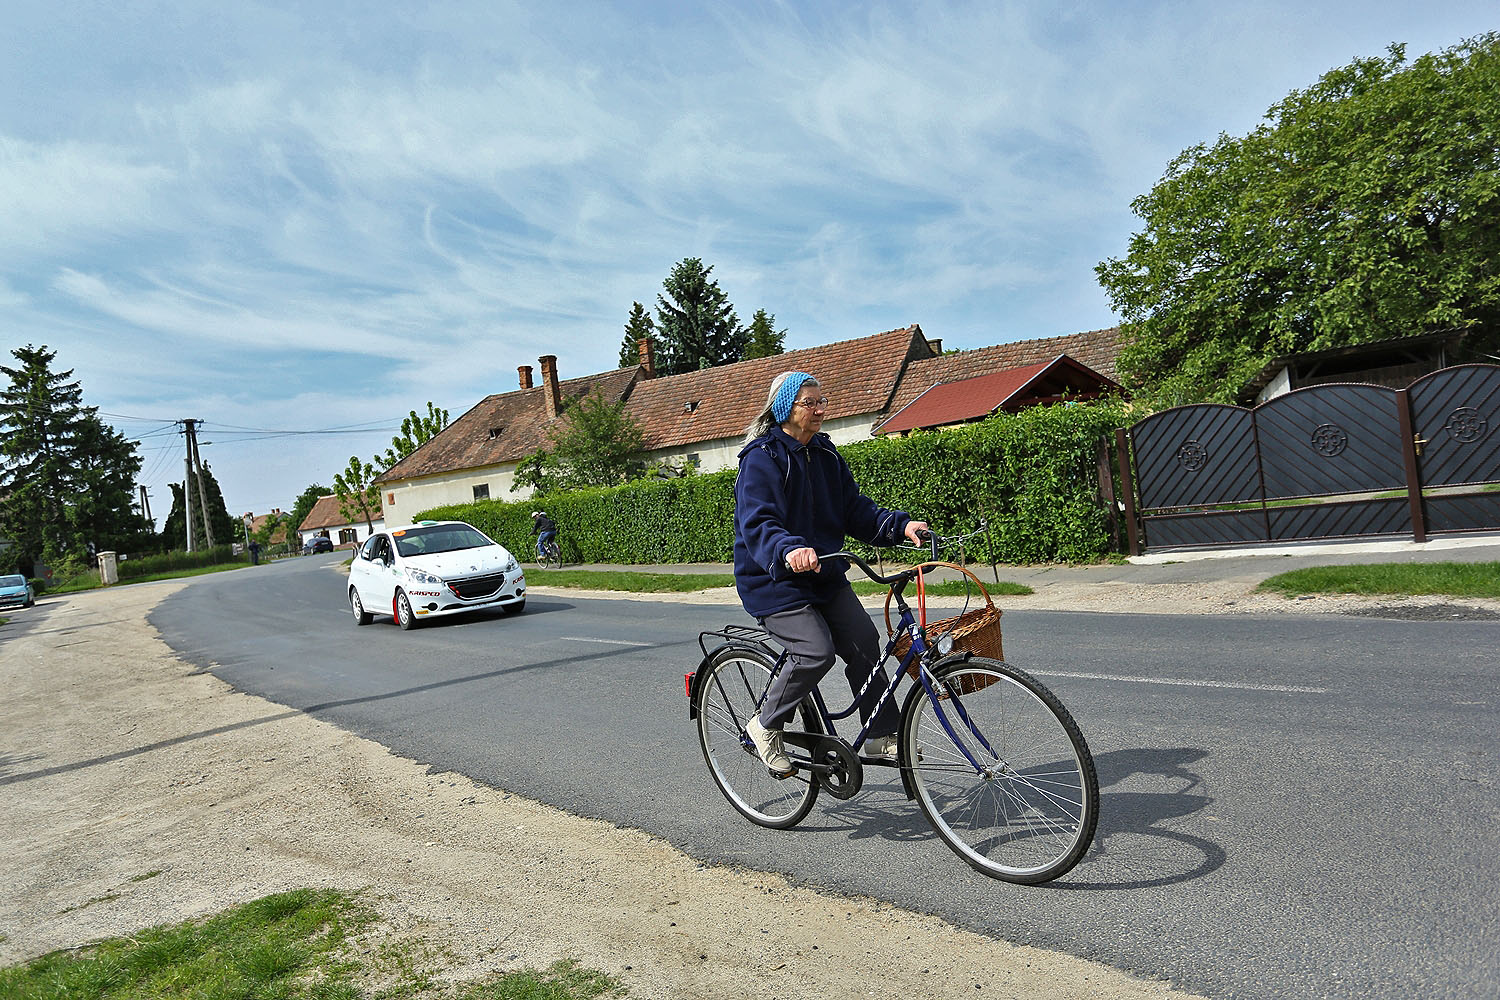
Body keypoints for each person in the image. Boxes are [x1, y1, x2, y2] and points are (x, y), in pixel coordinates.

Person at [733, 371, 928, 777]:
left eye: (823, 400)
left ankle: (879, 732)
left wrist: (898, 526)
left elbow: (853, 508)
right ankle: (765, 725)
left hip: (823, 573)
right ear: (786, 407)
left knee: (863, 641)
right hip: (774, 580)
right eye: (810, 402)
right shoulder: (761, 459)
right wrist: (789, 550)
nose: (820, 409)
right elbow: (759, 523)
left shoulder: (824, 453)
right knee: (814, 651)